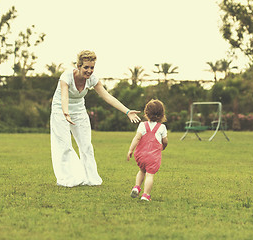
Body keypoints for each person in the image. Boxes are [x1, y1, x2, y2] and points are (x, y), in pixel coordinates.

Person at [50, 50, 140, 187]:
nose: (89, 70)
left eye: (92, 67)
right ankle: (68, 178)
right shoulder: (66, 76)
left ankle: (90, 178)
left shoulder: (92, 79)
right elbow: (64, 96)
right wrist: (66, 113)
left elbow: (107, 97)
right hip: (60, 110)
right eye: (86, 67)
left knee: (86, 146)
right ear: (79, 66)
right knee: (64, 144)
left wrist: (127, 112)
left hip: (79, 110)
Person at [127, 99, 168, 201]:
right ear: (162, 114)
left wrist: (130, 150)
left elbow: (136, 138)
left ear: (146, 113)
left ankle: (136, 187)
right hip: (153, 157)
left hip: (140, 155)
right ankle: (146, 195)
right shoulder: (162, 127)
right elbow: (165, 141)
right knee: (150, 175)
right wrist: (164, 146)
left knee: (141, 170)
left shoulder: (142, 125)